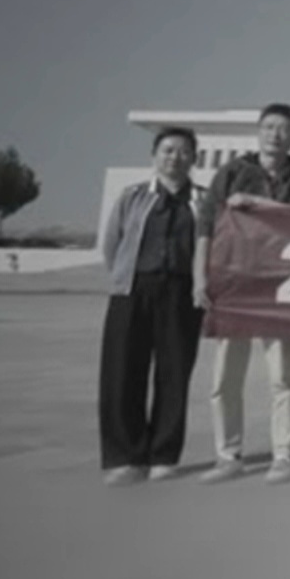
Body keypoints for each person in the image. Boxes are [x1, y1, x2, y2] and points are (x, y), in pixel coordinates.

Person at [196, 103, 290, 485]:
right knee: (225, 376)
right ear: (258, 131)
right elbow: (205, 227)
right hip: (233, 283)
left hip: (279, 287)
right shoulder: (232, 171)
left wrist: (256, 204)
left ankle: (285, 453)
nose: (275, 135)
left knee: (283, 373)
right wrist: (199, 278)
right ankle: (228, 454)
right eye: (268, 127)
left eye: (283, 128)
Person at [97, 126, 205, 486]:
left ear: (194, 158)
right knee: (122, 372)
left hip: (182, 293)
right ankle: (124, 457)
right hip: (133, 290)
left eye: (183, 151)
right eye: (168, 150)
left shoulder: (202, 201)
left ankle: (163, 455)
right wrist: (124, 277)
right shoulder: (133, 197)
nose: (175, 158)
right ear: (154, 156)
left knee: (174, 374)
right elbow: (112, 244)